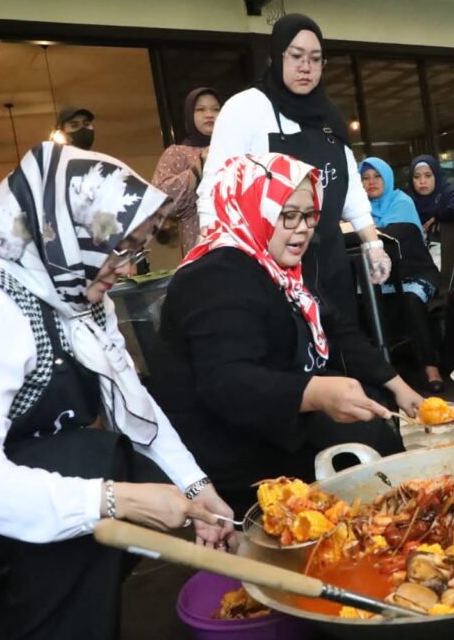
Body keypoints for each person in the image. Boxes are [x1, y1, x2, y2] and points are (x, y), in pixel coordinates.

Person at [0, 142, 236, 640]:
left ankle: (17, 618)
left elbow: (133, 402)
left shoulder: (73, 290)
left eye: (135, 250)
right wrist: (118, 500)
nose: (127, 268)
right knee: (92, 469)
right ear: (67, 232)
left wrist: (197, 488)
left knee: (129, 467)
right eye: (121, 248)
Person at [158, 154, 419, 518]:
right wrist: (314, 393)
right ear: (252, 208)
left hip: (279, 422)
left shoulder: (278, 265)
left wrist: (399, 386)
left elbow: (335, 328)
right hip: (236, 455)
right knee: (368, 450)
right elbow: (226, 383)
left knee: (377, 426)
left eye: (309, 215)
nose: (303, 229)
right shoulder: (215, 276)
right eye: (287, 215)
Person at [197, 14, 391, 321]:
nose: (306, 67)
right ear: (277, 57)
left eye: (315, 59)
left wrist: (373, 243)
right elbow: (214, 190)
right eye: (296, 56)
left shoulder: (329, 114)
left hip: (330, 261)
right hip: (271, 268)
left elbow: (349, 185)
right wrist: (214, 260)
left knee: (342, 338)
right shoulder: (246, 108)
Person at [360, 157, 443, 391]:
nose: (371, 182)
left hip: (416, 273)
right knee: (361, 304)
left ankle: (432, 369)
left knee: (411, 299)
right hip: (383, 278)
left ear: (387, 178)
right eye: (365, 178)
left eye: (377, 176)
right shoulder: (360, 210)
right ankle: (381, 373)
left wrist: (364, 231)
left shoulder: (401, 202)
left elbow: (391, 236)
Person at [152, 87, 222, 255]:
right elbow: (160, 199)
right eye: (200, 109)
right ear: (190, 114)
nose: (209, 114)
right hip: (200, 247)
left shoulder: (236, 149)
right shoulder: (177, 153)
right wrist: (198, 167)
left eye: (215, 109)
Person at [406, 154, 454, 236]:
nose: (422, 181)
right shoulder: (406, 202)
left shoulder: (447, 192)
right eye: (417, 177)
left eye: (428, 176)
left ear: (436, 176)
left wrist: (438, 217)